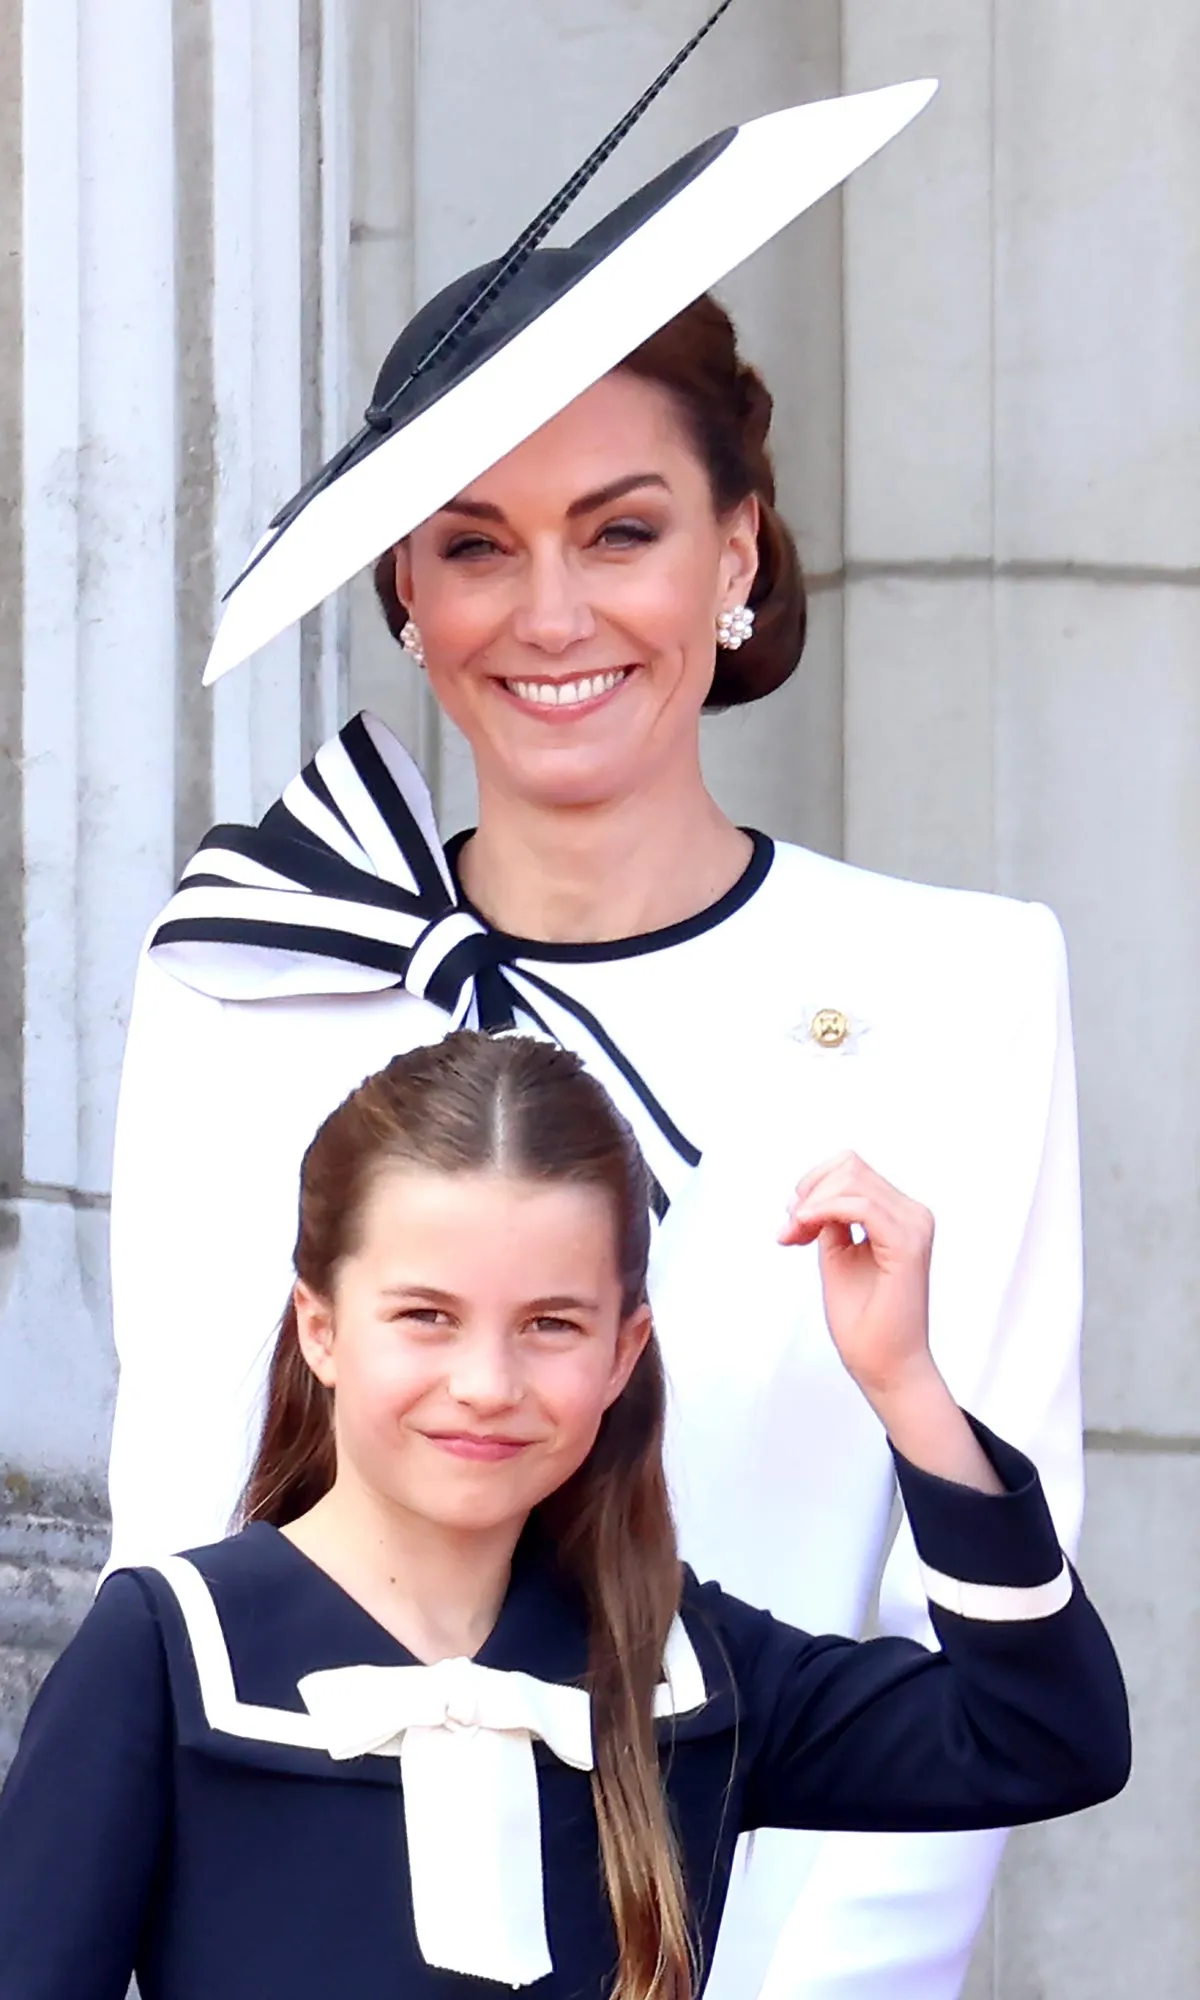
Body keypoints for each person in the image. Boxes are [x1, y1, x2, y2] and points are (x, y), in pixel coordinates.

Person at [102, 58, 1081, 2000]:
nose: (549, 613)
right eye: (474, 542)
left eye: (620, 530)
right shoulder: (251, 975)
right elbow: (187, 1555)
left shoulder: (969, 989)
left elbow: (957, 1601)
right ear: (406, 588)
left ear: (734, 556)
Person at [0, 1037, 1128, 2000]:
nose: (488, 1380)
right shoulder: (171, 1650)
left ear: (624, 1350)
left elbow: (1044, 1737)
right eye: (427, 1315)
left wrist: (903, 1381)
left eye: (550, 1323)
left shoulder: (685, 1667)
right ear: (322, 1327)